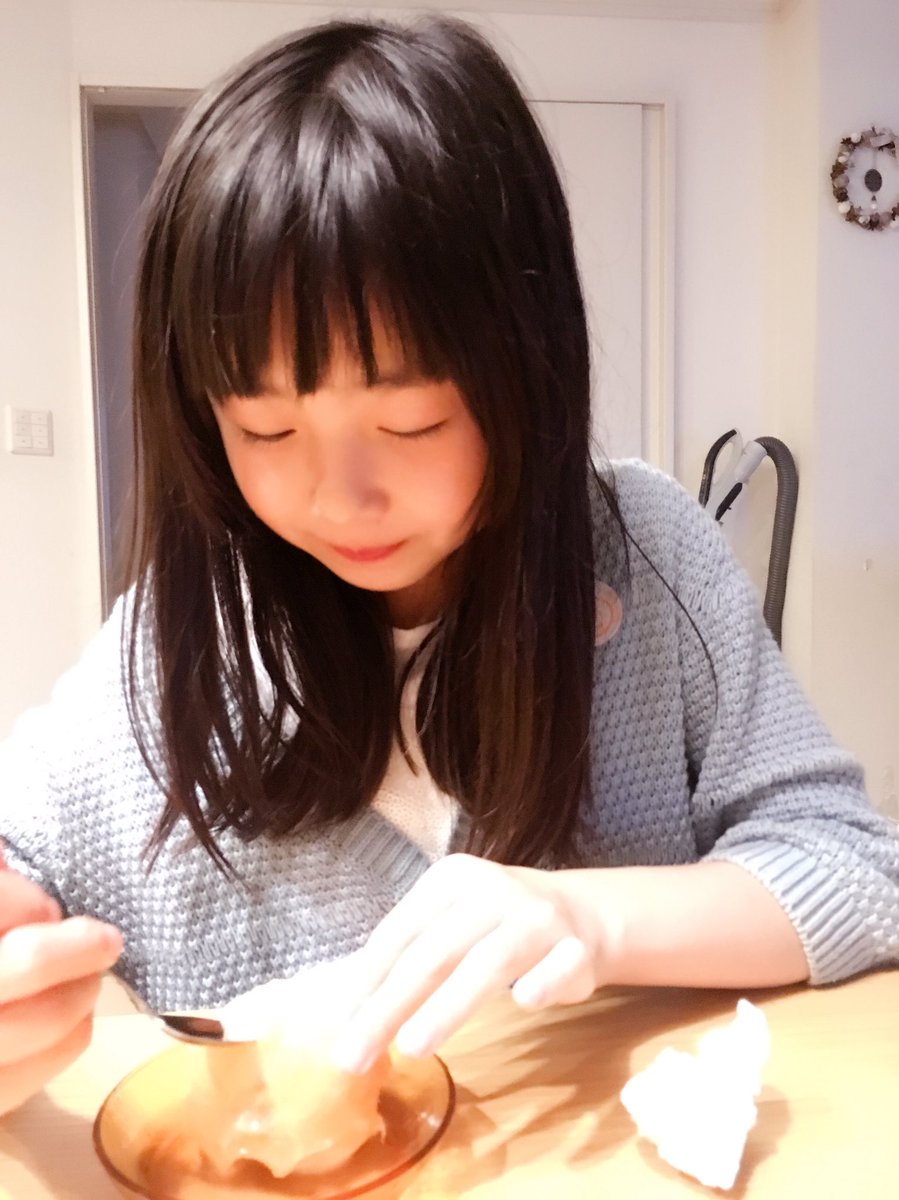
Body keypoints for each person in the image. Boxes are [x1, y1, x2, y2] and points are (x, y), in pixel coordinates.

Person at [1, 14, 898, 1117]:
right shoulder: (189, 634)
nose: (340, 497)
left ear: (526, 371)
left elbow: (855, 868)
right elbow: (20, 854)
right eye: (265, 430)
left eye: (412, 421)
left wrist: (590, 918)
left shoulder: (646, 552)